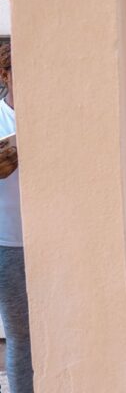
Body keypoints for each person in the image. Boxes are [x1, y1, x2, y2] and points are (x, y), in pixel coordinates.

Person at [0, 41, 34, 393]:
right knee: (21, 337)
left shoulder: (48, 118)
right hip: (8, 244)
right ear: (4, 75)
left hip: (50, 242)